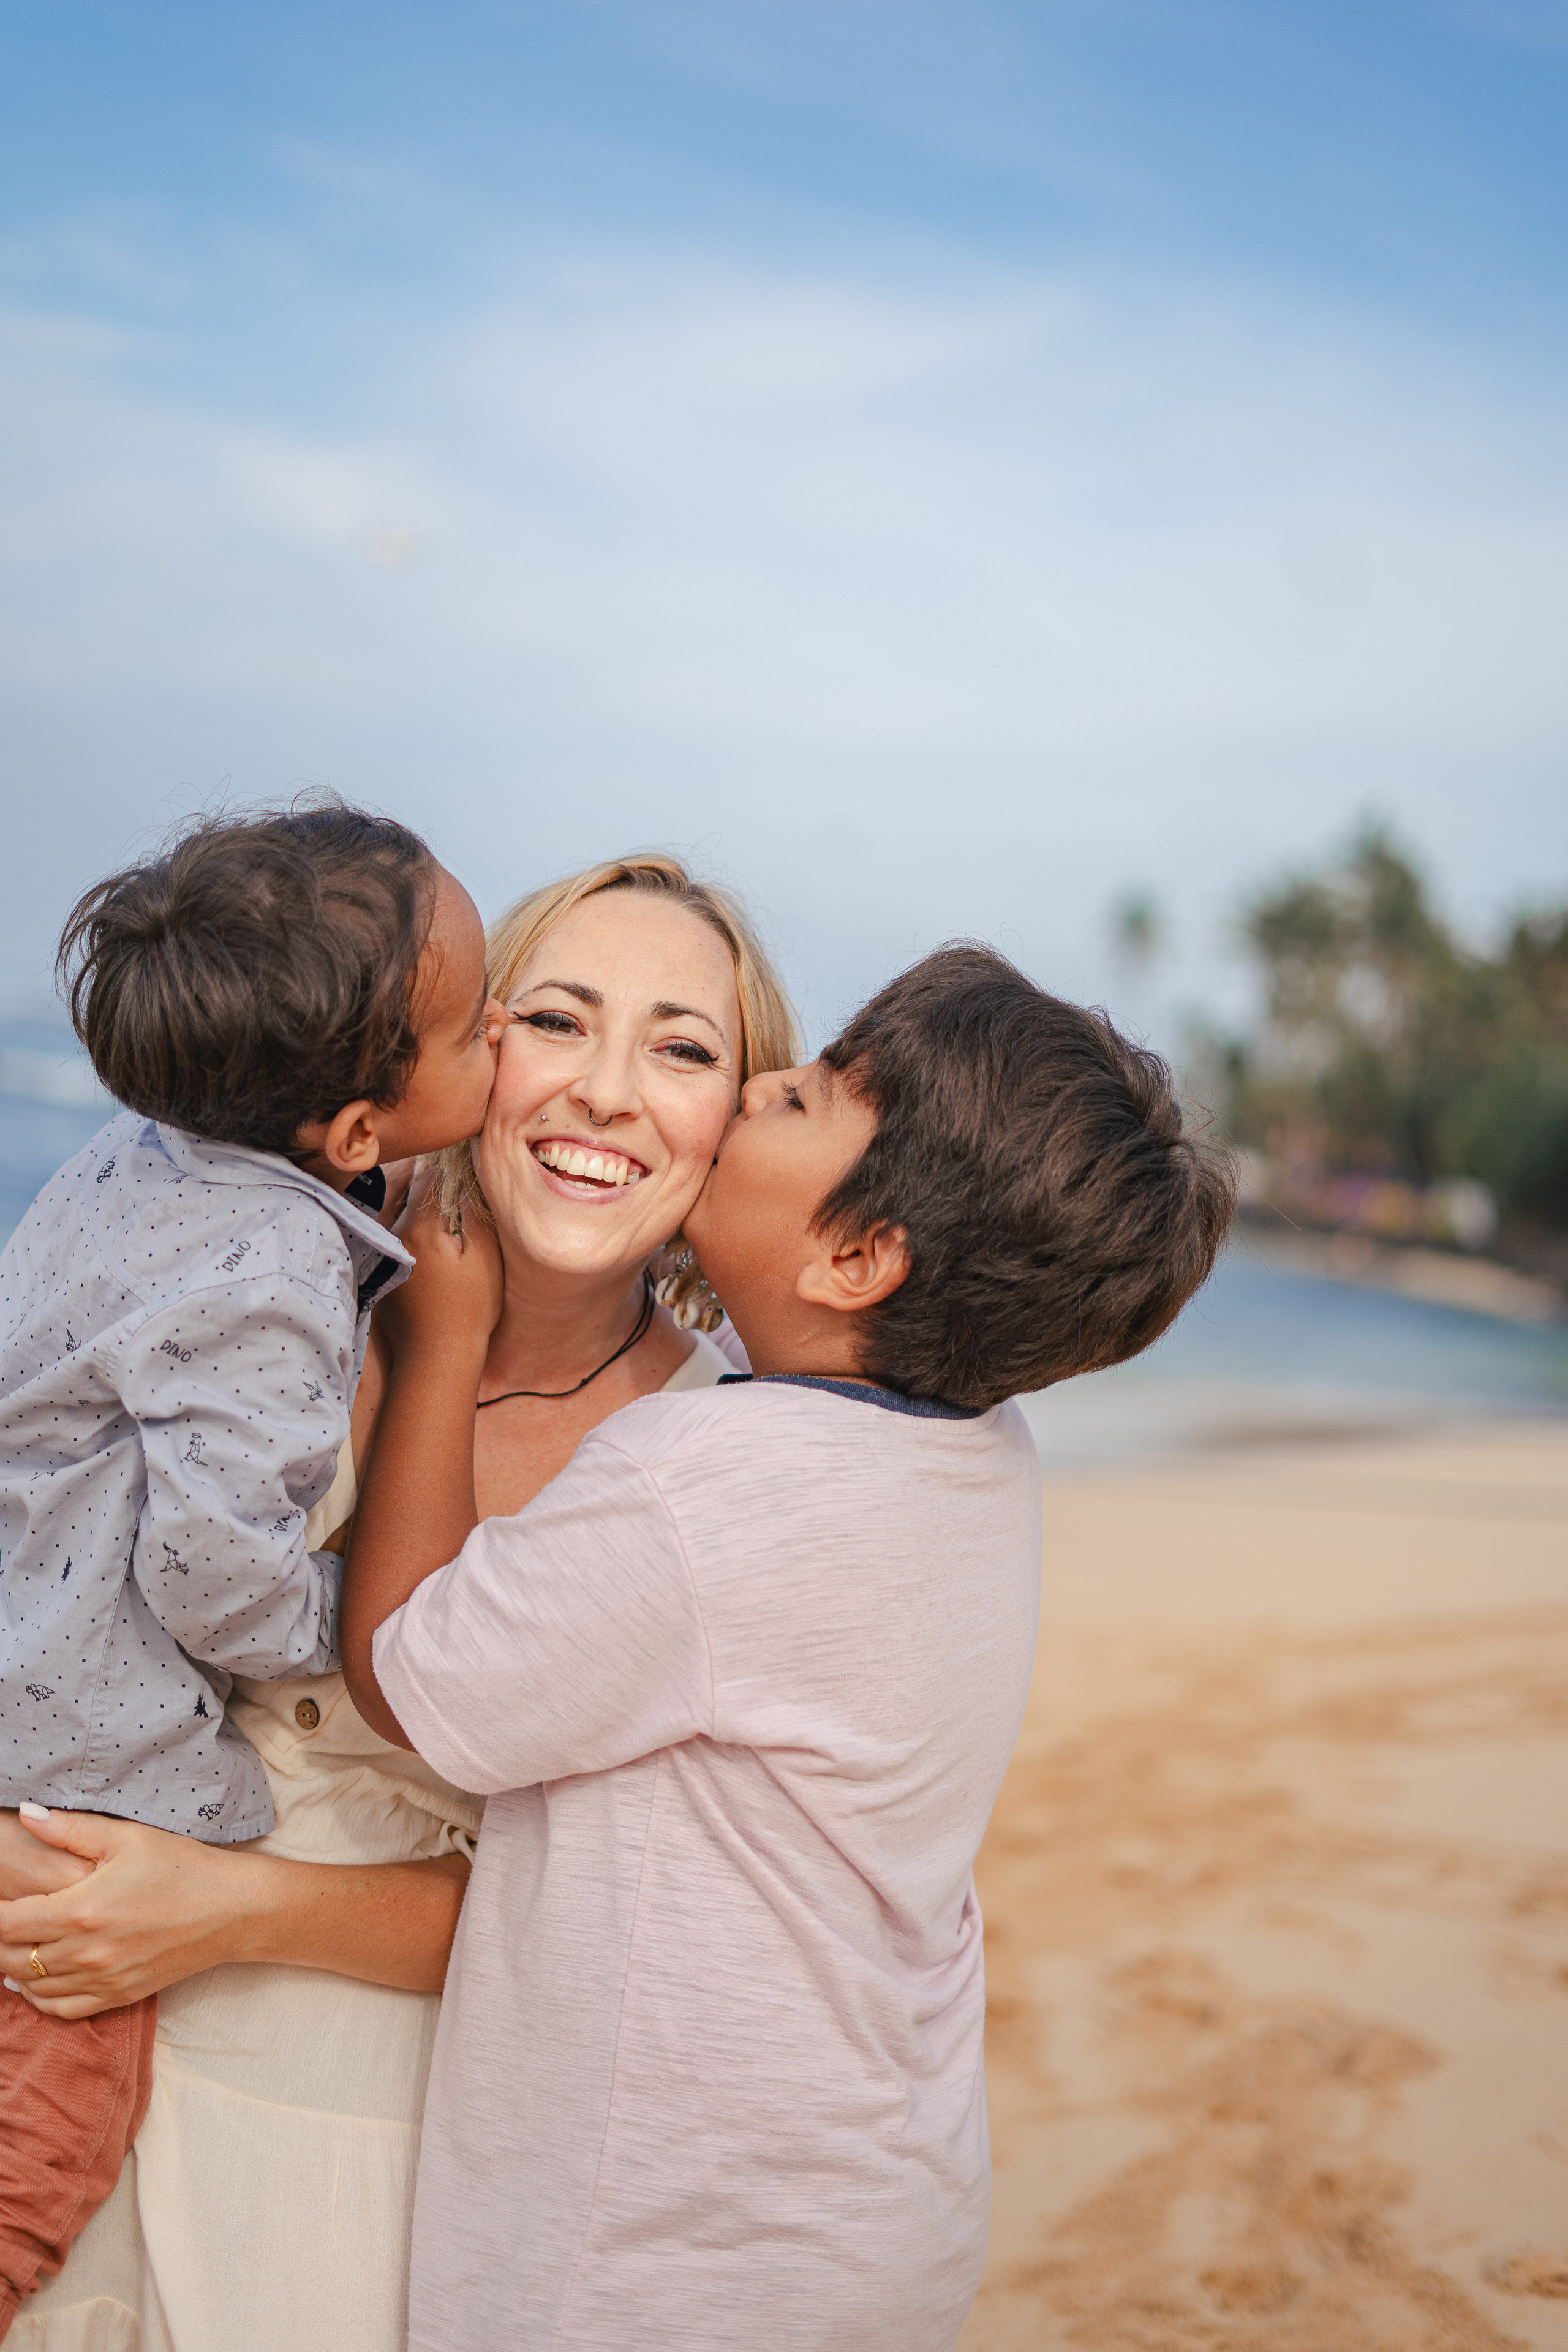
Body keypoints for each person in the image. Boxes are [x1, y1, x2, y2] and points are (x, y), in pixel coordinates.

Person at [341, 943, 1238, 2352]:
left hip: (665, 2248)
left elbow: (408, 1672)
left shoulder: (703, 1481)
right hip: (872, 2198)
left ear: (858, 1257)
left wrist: (440, 1339)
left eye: (808, 1094)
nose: (759, 1087)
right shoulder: (981, 1451)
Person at [0, 854, 799, 2352]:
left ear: (738, 1118)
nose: (605, 1092)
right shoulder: (247, 1273)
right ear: (452, 1054)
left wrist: (229, 1909)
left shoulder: (723, 1464)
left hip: (358, 2137)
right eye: (554, 1020)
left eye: (682, 1049)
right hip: (58, 2031)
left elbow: (638, 1934)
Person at [0, 801, 506, 2339]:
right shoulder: (273, 1265)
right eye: (478, 1024)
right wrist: (374, 1613)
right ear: (352, 1134)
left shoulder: (138, 1150)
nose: (501, 1040)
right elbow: (217, 1581)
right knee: (48, 2135)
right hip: (88, 1762)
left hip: (22, 1651)